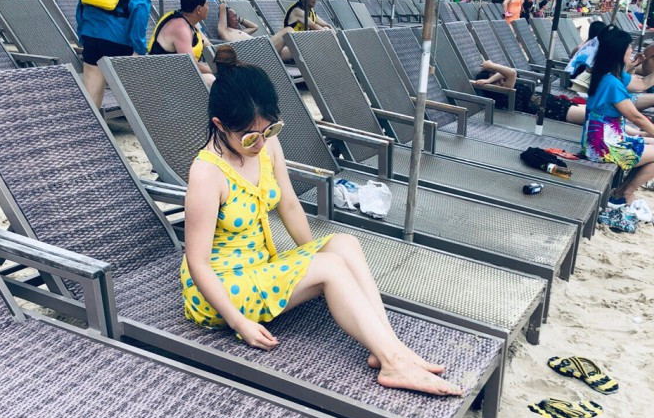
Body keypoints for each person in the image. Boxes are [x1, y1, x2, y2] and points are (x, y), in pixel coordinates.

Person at [181, 46, 462, 396]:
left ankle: (388, 346)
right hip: (221, 291)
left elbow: (289, 205)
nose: (260, 143)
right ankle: (394, 362)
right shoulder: (207, 173)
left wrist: (312, 258)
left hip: (259, 269)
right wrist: (240, 323)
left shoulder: (267, 146)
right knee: (329, 266)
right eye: (250, 137)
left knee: (343, 244)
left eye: (269, 130)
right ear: (220, 125)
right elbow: (198, 263)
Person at [582, 28, 654, 205]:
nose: (631, 50)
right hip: (603, 148)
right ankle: (624, 193)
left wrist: (636, 63)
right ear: (618, 52)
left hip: (605, 140)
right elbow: (636, 118)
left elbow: (642, 83)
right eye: (629, 47)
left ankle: (622, 191)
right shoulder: (611, 83)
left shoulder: (609, 74)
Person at [148, 0, 214, 86]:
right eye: (207, 5)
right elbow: (191, 65)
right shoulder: (180, 28)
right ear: (198, 9)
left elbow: (208, 44)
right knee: (211, 80)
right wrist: (216, 70)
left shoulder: (190, 22)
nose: (208, 8)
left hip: (176, 73)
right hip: (162, 79)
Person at [216, 1, 297, 61]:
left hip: (265, 51)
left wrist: (240, 19)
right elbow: (222, 14)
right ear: (226, 19)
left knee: (295, 50)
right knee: (288, 30)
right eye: (234, 17)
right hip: (258, 54)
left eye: (237, 16)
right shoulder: (226, 32)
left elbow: (255, 27)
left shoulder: (240, 32)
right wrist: (223, 7)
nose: (237, 19)